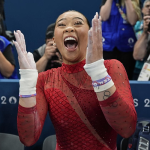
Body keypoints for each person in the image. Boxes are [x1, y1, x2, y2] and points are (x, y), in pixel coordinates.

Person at [13, 11, 137, 150]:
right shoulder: (45, 79)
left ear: (91, 34)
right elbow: (28, 138)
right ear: (54, 40)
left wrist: (98, 73)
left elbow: (127, 129)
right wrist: (27, 85)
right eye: (61, 24)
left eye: (78, 23)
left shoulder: (111, 67)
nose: (69, 28)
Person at [100, 0, 141, 80]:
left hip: (127, 47)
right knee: (106, 79)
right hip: (108, 46)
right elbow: (104, 17)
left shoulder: (135, 1)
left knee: (125, 79)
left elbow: (132, 21)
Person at [133, 0, 150, 80]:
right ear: (142, 9)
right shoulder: (138, 25)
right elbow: (137, 55)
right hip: (141, 67)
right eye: (147, 6)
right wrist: (145, 32)